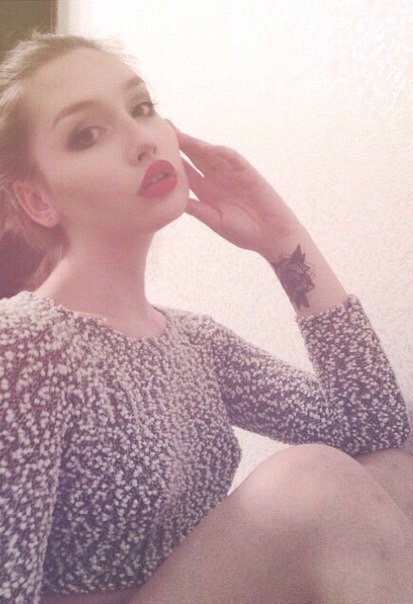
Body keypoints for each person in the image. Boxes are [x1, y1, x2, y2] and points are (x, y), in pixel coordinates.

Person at [0, 30, 412, 604]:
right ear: (38, 201)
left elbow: (380, 432)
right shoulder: (21, 346)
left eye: (141, 107)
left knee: (393, 474)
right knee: (310, 483)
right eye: (87, 133)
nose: (142, 139)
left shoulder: (196, 343)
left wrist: (283, 240)